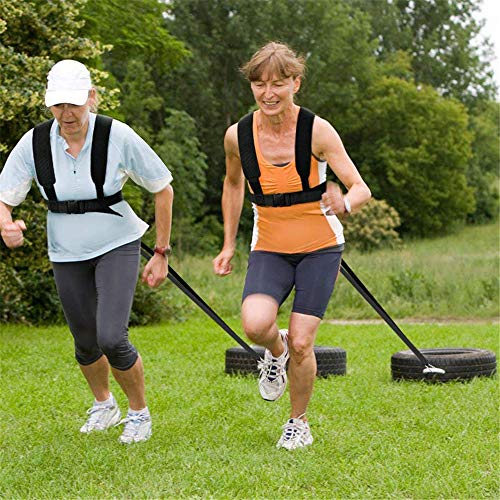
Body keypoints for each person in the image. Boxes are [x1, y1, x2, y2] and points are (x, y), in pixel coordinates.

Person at [0, 60, 174, 444]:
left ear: (91, 98)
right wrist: (6, 224)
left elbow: (163, 187)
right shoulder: (34, 142)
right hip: (65, 249)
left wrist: (161, 251)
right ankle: (104, 405)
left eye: (75, 103)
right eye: (59, 105)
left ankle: (139, 413)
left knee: (111, 336)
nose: (67, 113)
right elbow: (4, 198)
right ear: (49, 105)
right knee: (84, 339)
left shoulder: (117, 135)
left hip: (117, 242)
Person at [213, 42, 371, 450]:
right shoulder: (238, 136)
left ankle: (298, 423)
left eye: (278, 84)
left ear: (295, 84)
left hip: (320, 245)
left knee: (304, 341)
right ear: (251, 87)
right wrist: (229, 244)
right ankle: (274, 352)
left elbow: (360, 187)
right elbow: (232, 185)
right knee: (255, 324)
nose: (269, 93)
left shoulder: (317, 130)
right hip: (269, 244)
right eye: (260, 84)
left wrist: (345, 203)